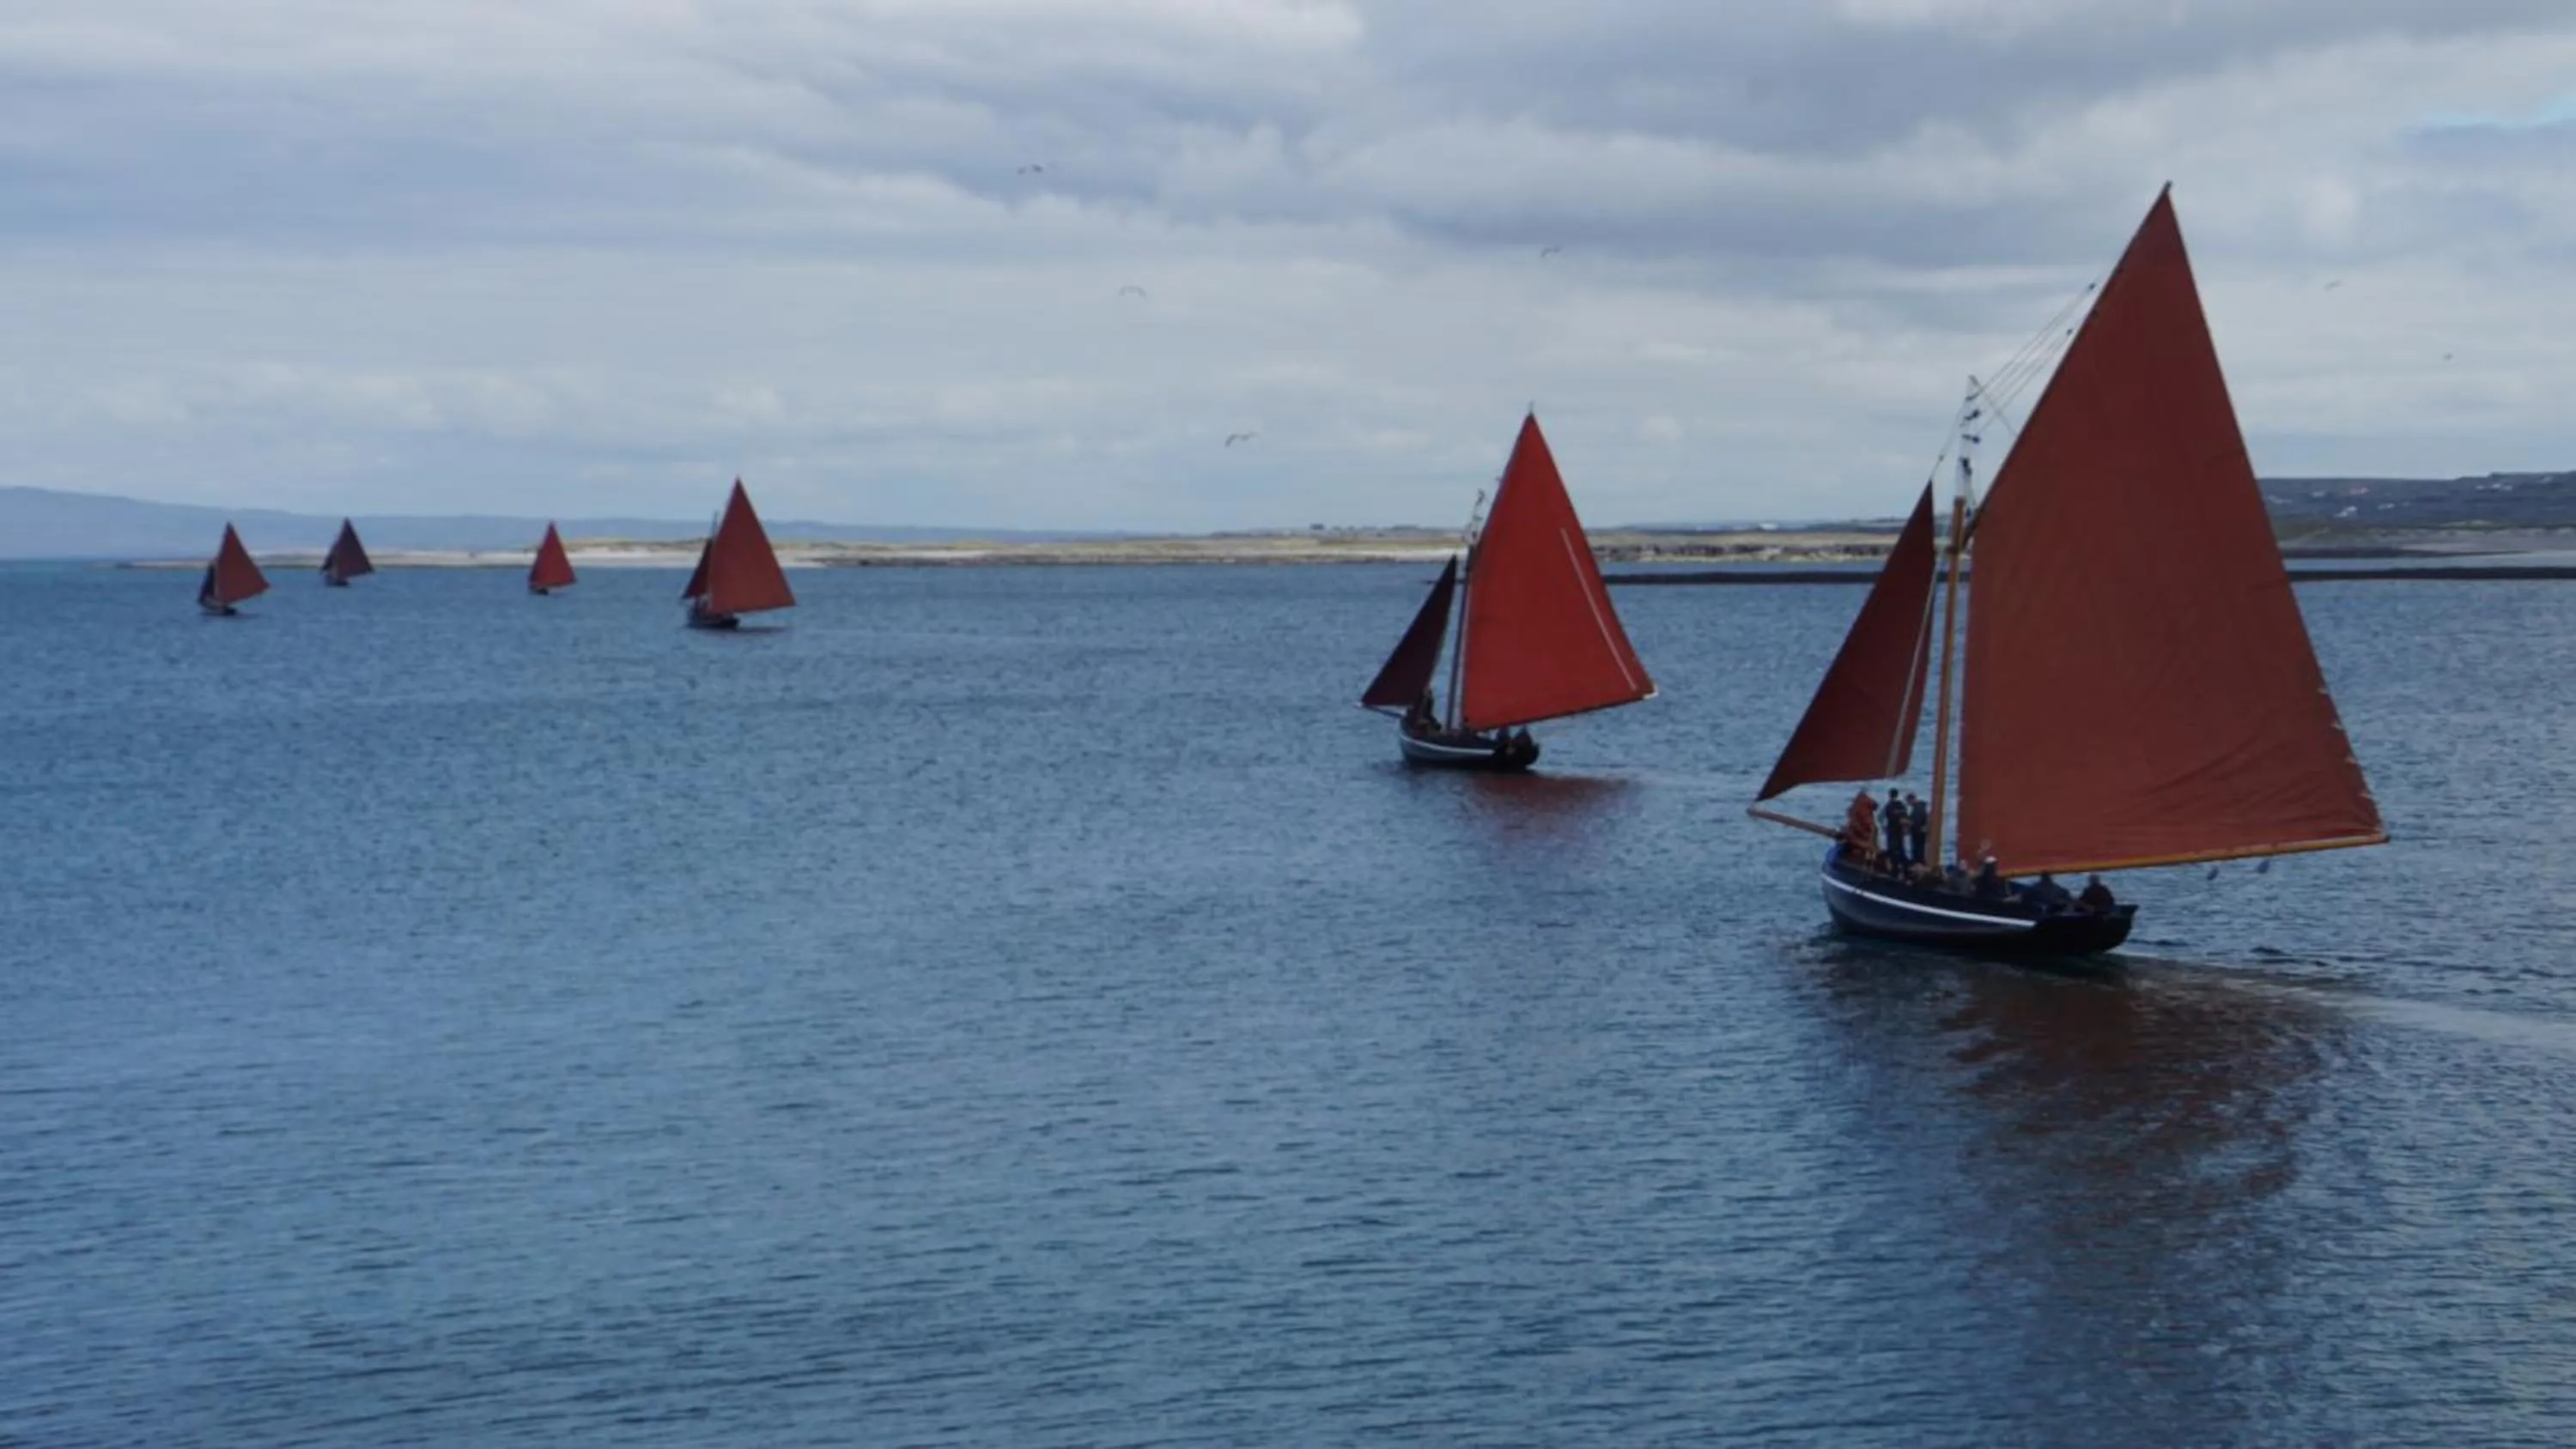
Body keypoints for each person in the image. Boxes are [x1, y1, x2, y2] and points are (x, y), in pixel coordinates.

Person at [1844, 789, 1880, 866]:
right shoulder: (1864, 805)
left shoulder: (1859, 805)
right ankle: (1870, 858)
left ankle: (1869, 858)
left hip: (1860, 833)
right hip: (1861, 833)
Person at [1882, 787, 1909, 869]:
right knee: (1901, 847)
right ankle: (1904, 865)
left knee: (1892, 848)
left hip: (1892, 829)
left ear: (1890, 796)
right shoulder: (1902, 806)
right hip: (1900, 830)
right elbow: (1905, 817)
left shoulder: (1889, 806)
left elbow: (1884, 817)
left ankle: (1894, 867)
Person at [1905, 793, 1929, 869]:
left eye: (1909, 802)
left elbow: (1916, 821)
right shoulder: (1920, 807)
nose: (1909, 804)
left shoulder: (1918, 808)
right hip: (1919, 833)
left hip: (1918, 833)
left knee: (1918, 851)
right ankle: (1919, 863)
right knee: (1920, 850)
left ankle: (1919, 865)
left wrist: (1908, 822)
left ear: (1912, 800)